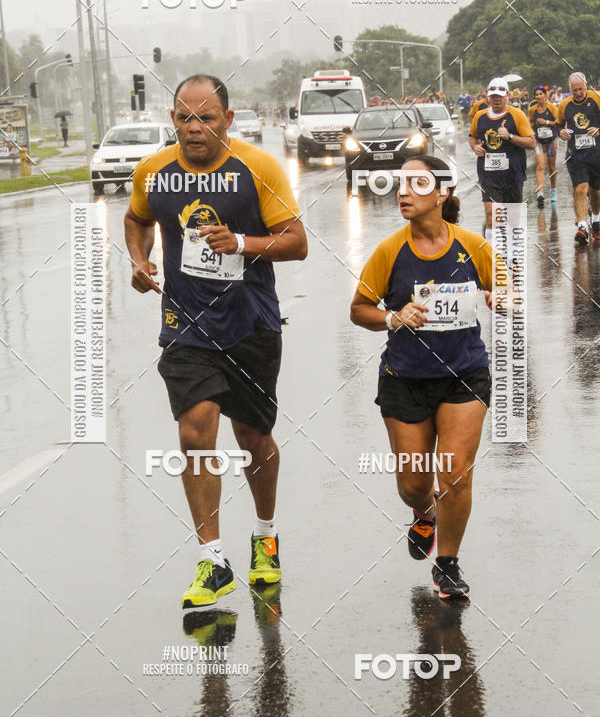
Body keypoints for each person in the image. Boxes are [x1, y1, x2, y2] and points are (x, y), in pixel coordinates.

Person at [124, 74, 307, 612]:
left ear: (228, 119)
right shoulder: (153, 171)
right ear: (172, 119)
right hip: (186, 325)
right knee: (194, 431)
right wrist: (137, 260)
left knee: (253, 438)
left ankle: (265, 534)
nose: (194, 128)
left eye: (205, 118)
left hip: (251, 322)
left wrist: (244, 242)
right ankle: (213, 557)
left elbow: (296, 242)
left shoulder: (259, 168)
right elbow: (136, 219)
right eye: (184, 118)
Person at [350, 156, 505, 600]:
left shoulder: (473, 247)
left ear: (442, 194)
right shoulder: (389, 251)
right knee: (415, 483)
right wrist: (394, 317)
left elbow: (508, 287)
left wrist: (498, 294)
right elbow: (359, 310)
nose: (403, 192)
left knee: (454, 474)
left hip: (464, 374)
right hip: (406, 377)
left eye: (416, 184)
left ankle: (448, 563)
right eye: (400, 185)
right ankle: (423, 512)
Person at [469, 76, 535, 242]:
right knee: (492, 216)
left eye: (500, 95)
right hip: (489, 174)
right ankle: (493, 256)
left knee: (513, 219)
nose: (496, 99)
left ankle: (513, 253)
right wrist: (475, 147)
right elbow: (473, 137)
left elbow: (531, 142)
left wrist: (510, 136)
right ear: (488, 98)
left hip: (513, 174)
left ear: (508, 96)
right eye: (493, 96)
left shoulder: (517, 115)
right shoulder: (480, 116)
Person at [556, 71, 600, 245]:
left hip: (596, 153)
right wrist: (561, 132)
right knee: (580, 189)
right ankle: (582, 226)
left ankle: (596, 221)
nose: (578, 93)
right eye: (574, 90)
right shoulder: (565, 105)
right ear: (570, 89)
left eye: (581, 89)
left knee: (596, 191)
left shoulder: (596, 98)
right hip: (575, 155)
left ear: (586, 86)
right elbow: (558, 124)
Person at [529, 86, 559, 207]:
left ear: (546, 95)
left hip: (551, 140)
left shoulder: (552, 107)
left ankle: (553, 190)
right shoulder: (532, 109)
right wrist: (532, 129)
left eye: (541, 94)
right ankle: (540, 192)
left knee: (551, 167)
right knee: (540, 166)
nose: (538, 96)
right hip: (539, 140)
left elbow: (558, 122)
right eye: (536, 95)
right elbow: (530, 122)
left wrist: (546, 122)